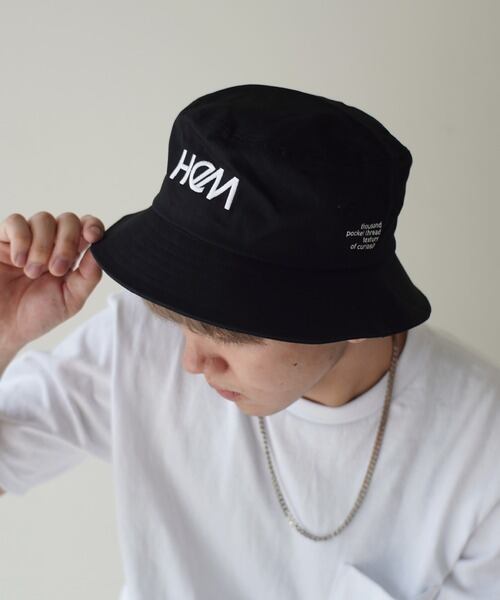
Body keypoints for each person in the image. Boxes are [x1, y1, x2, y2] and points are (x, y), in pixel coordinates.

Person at [0, 84, 499, 599]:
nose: (191, 360)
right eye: (175, 315)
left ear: (356, 313)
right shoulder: (138, 341)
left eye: (230, 332)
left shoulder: (481, 448)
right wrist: (4, 334)